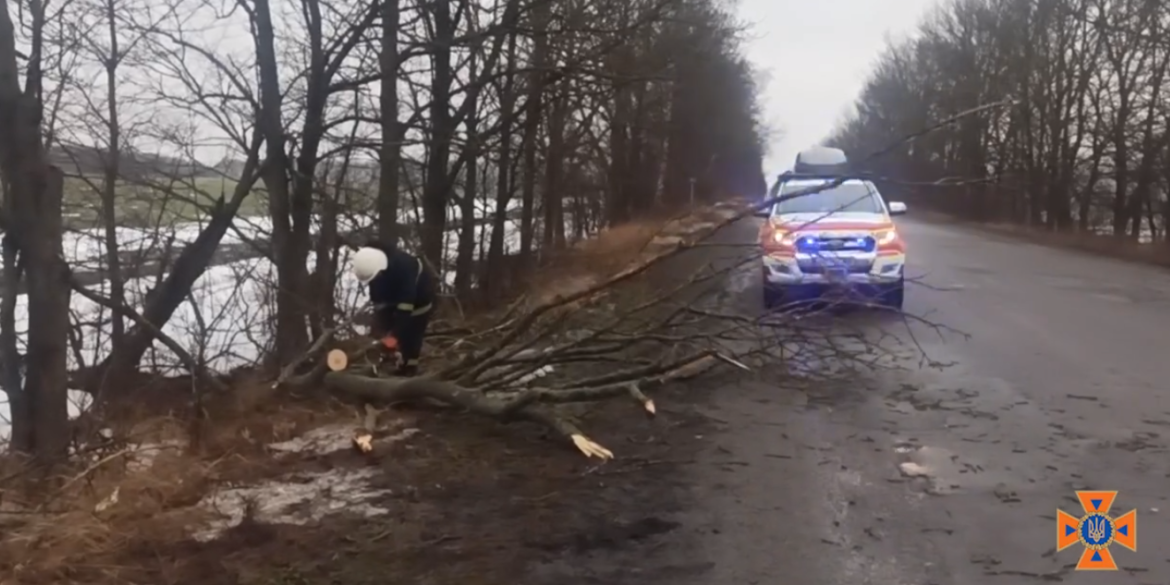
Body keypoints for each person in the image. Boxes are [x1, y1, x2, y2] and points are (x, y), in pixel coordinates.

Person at [350, 241, 435, 377]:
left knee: (412, 334)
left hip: (420, 298)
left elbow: (406, 308)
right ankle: (391, 360)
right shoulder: (373, 268)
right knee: (388, 333)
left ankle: (410, 368)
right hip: (396, 296)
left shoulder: (405, 266)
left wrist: (394, 336)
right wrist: (382, 332)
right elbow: (379, 305)